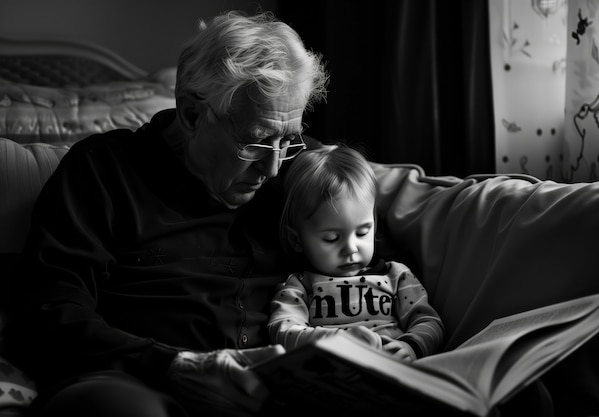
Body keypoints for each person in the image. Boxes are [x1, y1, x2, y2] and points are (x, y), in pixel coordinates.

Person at [4, 10, 328, 417]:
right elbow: (48, 312)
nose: (274, 167)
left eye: (289, 138)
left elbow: (370, 253)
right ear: (191, 114)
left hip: (274, 390)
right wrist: (171, 365)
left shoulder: (304, 173)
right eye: (256, 142)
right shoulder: (104, 171)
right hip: (136, 384)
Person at [268, 145, 444, 361]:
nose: (351, 248)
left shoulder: (396, 276)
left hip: (395, 368)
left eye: (362, 232)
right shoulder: (300, 286)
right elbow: (283, 330)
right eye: (332, 238)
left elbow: (428, 321)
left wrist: (411, 346)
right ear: (297, 240)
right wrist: (338, 341)